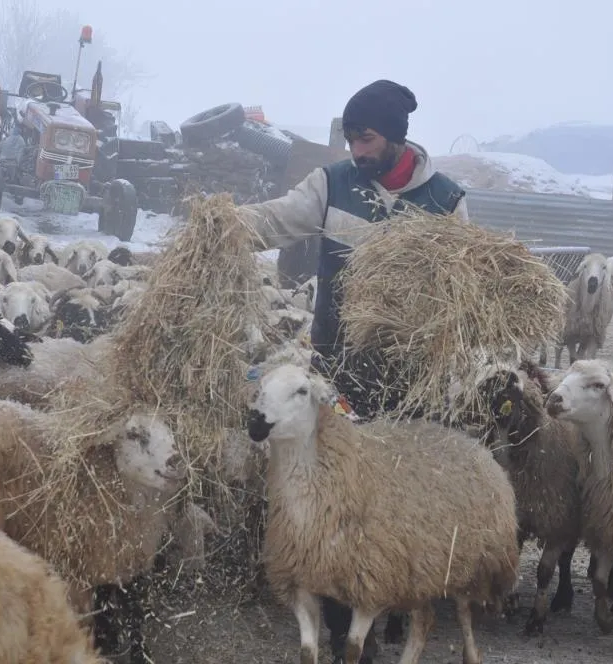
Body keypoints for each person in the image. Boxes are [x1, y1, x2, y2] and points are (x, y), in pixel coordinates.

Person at [237, 79, 469, 663]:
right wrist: (225, 227)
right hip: (337, 367)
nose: (356, 150)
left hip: (409, 371)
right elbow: (278, 220)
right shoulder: (333, 182)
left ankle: (391, 601)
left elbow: (467, 285)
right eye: (349, 138)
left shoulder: (446, 200)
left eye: (364, 138)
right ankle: (343, 625)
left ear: (394, 136)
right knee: (332, 485)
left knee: (393, 491)